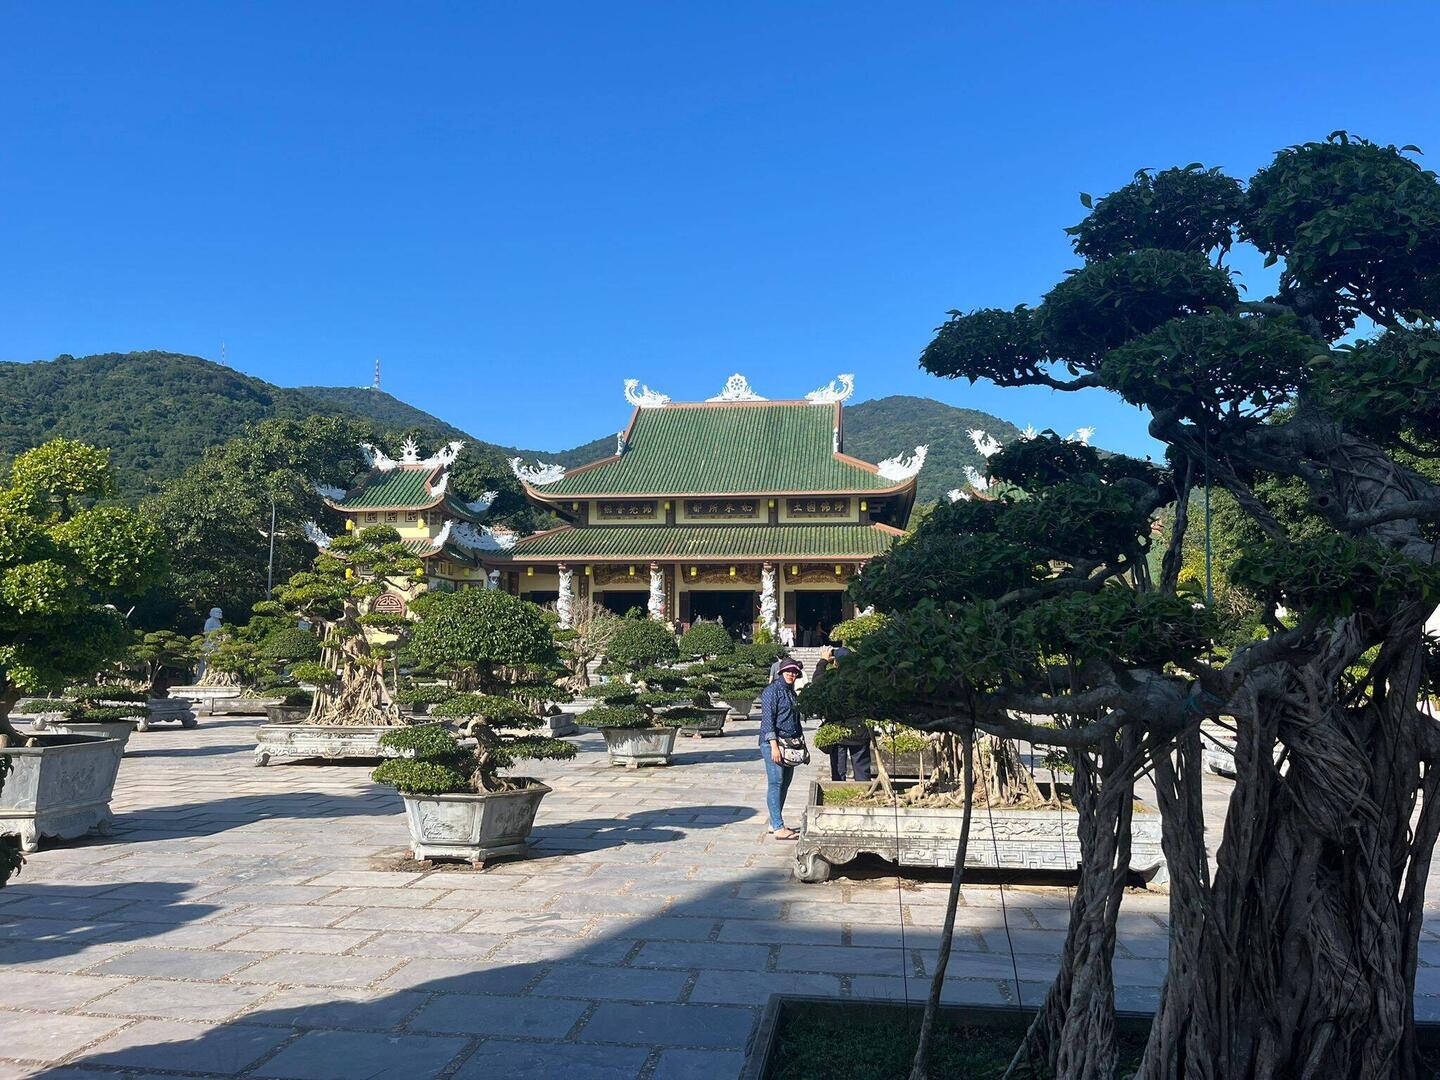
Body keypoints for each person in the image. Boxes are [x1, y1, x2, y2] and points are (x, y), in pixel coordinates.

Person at [759, 659, 805, 839]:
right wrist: (774, 746)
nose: (791, 674)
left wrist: (802, 744)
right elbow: (767, 720)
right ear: (780, 672)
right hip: (773, 742)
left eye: (794, 672)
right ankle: (778, 827)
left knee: (785, 783)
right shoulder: (772, 691)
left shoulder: (791, 693)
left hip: (790, 743)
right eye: (788, 671)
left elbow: (796, 720)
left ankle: (774, 821)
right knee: (775, 782)